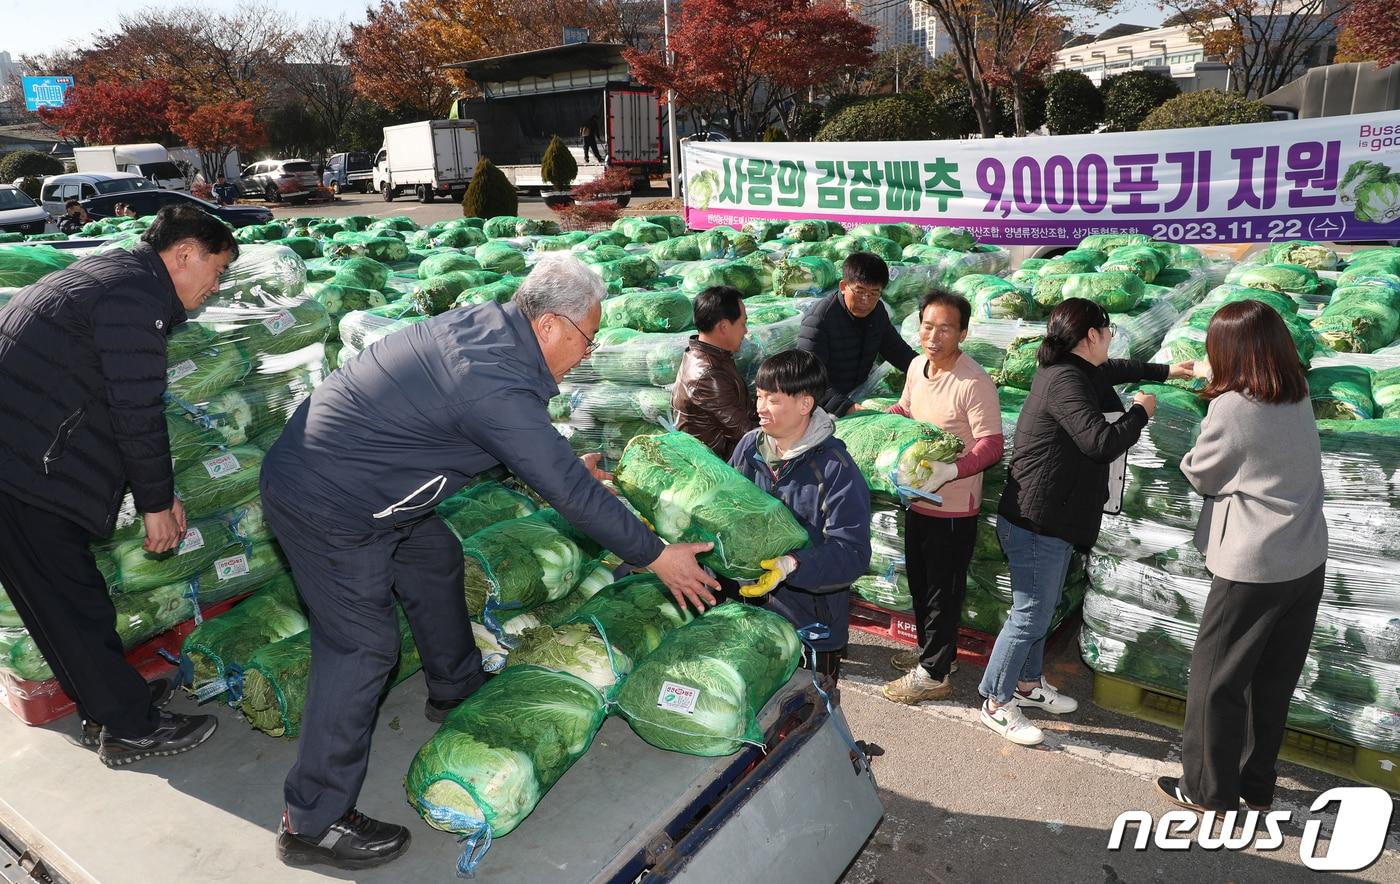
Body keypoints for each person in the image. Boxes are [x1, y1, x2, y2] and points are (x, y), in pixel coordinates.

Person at [263, 253, 720, 870]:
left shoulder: (492, 332)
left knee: (432, 555)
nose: (589, 351)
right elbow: (551, 472)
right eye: (589, 335)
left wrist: (556, 470)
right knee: (362, 647)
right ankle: (311, 821)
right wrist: (654, 555)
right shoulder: (491, 379)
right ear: (552, 325)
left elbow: (500, 435)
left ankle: (455, 688)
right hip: (332, 502)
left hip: (363, 477)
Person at [0, 205, 236, 766]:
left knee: (58, 604)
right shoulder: (132, 300)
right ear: (184, 255)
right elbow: (136, 411)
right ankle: (128, 727)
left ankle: (107, 704)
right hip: (24, 470)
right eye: (218, 270)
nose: (216, 287)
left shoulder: (111, 277)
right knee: (73, 604)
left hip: (19, 459)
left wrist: (158, 489)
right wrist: (154, 503)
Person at [981, 298, 1193, 746]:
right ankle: (996, 701)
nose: (1111, 337)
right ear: (1092, 335)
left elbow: (1111, 369)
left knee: (1042, 607)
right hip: (1036, 520)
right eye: (1108, 329)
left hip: (1053, 517)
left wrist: (1166, 372)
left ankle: (1028, 683)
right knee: (1029, 615)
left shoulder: (1076, 367)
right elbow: (1100, 443)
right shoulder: (1064, 381)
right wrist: (1141, 412)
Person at [1157, 300, 1327, 813]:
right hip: (1305, 557)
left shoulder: (1233, 406)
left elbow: (1202, 473)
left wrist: (1205, 402)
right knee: (1272, 684)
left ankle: (1209, 791)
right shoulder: (1294, 392)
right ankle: (1255, 786)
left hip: (1252, 567)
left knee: (1216, 682)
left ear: (1228, 352)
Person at [881, 290, 1003, 704]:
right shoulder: (917, 366)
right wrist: (875, 418)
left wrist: (951, 470)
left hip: (952, 507)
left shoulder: (974, 383)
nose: (934, 335)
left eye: (945, 328)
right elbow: (906, 409)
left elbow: (991, 445)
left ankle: (933, 675)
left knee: (941, 591)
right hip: (915, 498)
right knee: (920, 581)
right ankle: (938, 655)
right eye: (928, 325)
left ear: (963, 333)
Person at [727, 349, 872, 684]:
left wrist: (791, 564)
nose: (760, 408)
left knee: (808, 715)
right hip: (751, 614)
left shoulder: (836, 469)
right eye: (759, 396)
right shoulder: (749, 447)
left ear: (805, 404)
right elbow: (729, 513)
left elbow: (852, 553)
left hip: (811, 623)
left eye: (773, 400)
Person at [796, 252, 916, 417]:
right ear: (843, 286)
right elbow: (809, 381)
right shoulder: (819, 320)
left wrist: (927, 370)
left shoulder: (878, 312)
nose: (865, 300)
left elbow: (898, 351)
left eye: (874, 293)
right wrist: (849, 408)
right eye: (859, 291)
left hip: (855, 393)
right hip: (822, 408)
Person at [672, 285, 757, 459]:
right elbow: (745, 434)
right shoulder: (708, 374)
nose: (745, 330)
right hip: (722, 467)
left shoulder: (709, 355)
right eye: (743, 323)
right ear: (724, 326)